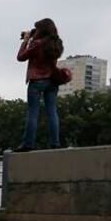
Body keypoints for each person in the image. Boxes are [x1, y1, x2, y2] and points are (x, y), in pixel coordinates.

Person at [15, 18, 64, 151]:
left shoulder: (37, 44)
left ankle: (28, 144)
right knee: (52, 112)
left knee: (33, 113)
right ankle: (55, 143)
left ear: (41, 30)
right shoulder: (56, 43)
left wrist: (26, 40)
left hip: (37, 81)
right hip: (52, 81)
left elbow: (20, 57)